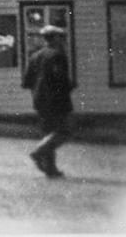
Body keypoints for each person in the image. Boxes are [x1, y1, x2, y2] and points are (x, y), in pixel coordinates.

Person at [22, 25, 73, 179]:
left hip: (39, 99)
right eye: (60, 37)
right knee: (64, 131)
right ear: (55, 38)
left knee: (48, 132)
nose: (62, 40)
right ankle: (38, 152)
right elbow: (60, 79)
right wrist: (70, 85)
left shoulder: (34, 56)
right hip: (56, 99)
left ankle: (51, 169)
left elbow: (27, 82)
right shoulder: (57, 55)